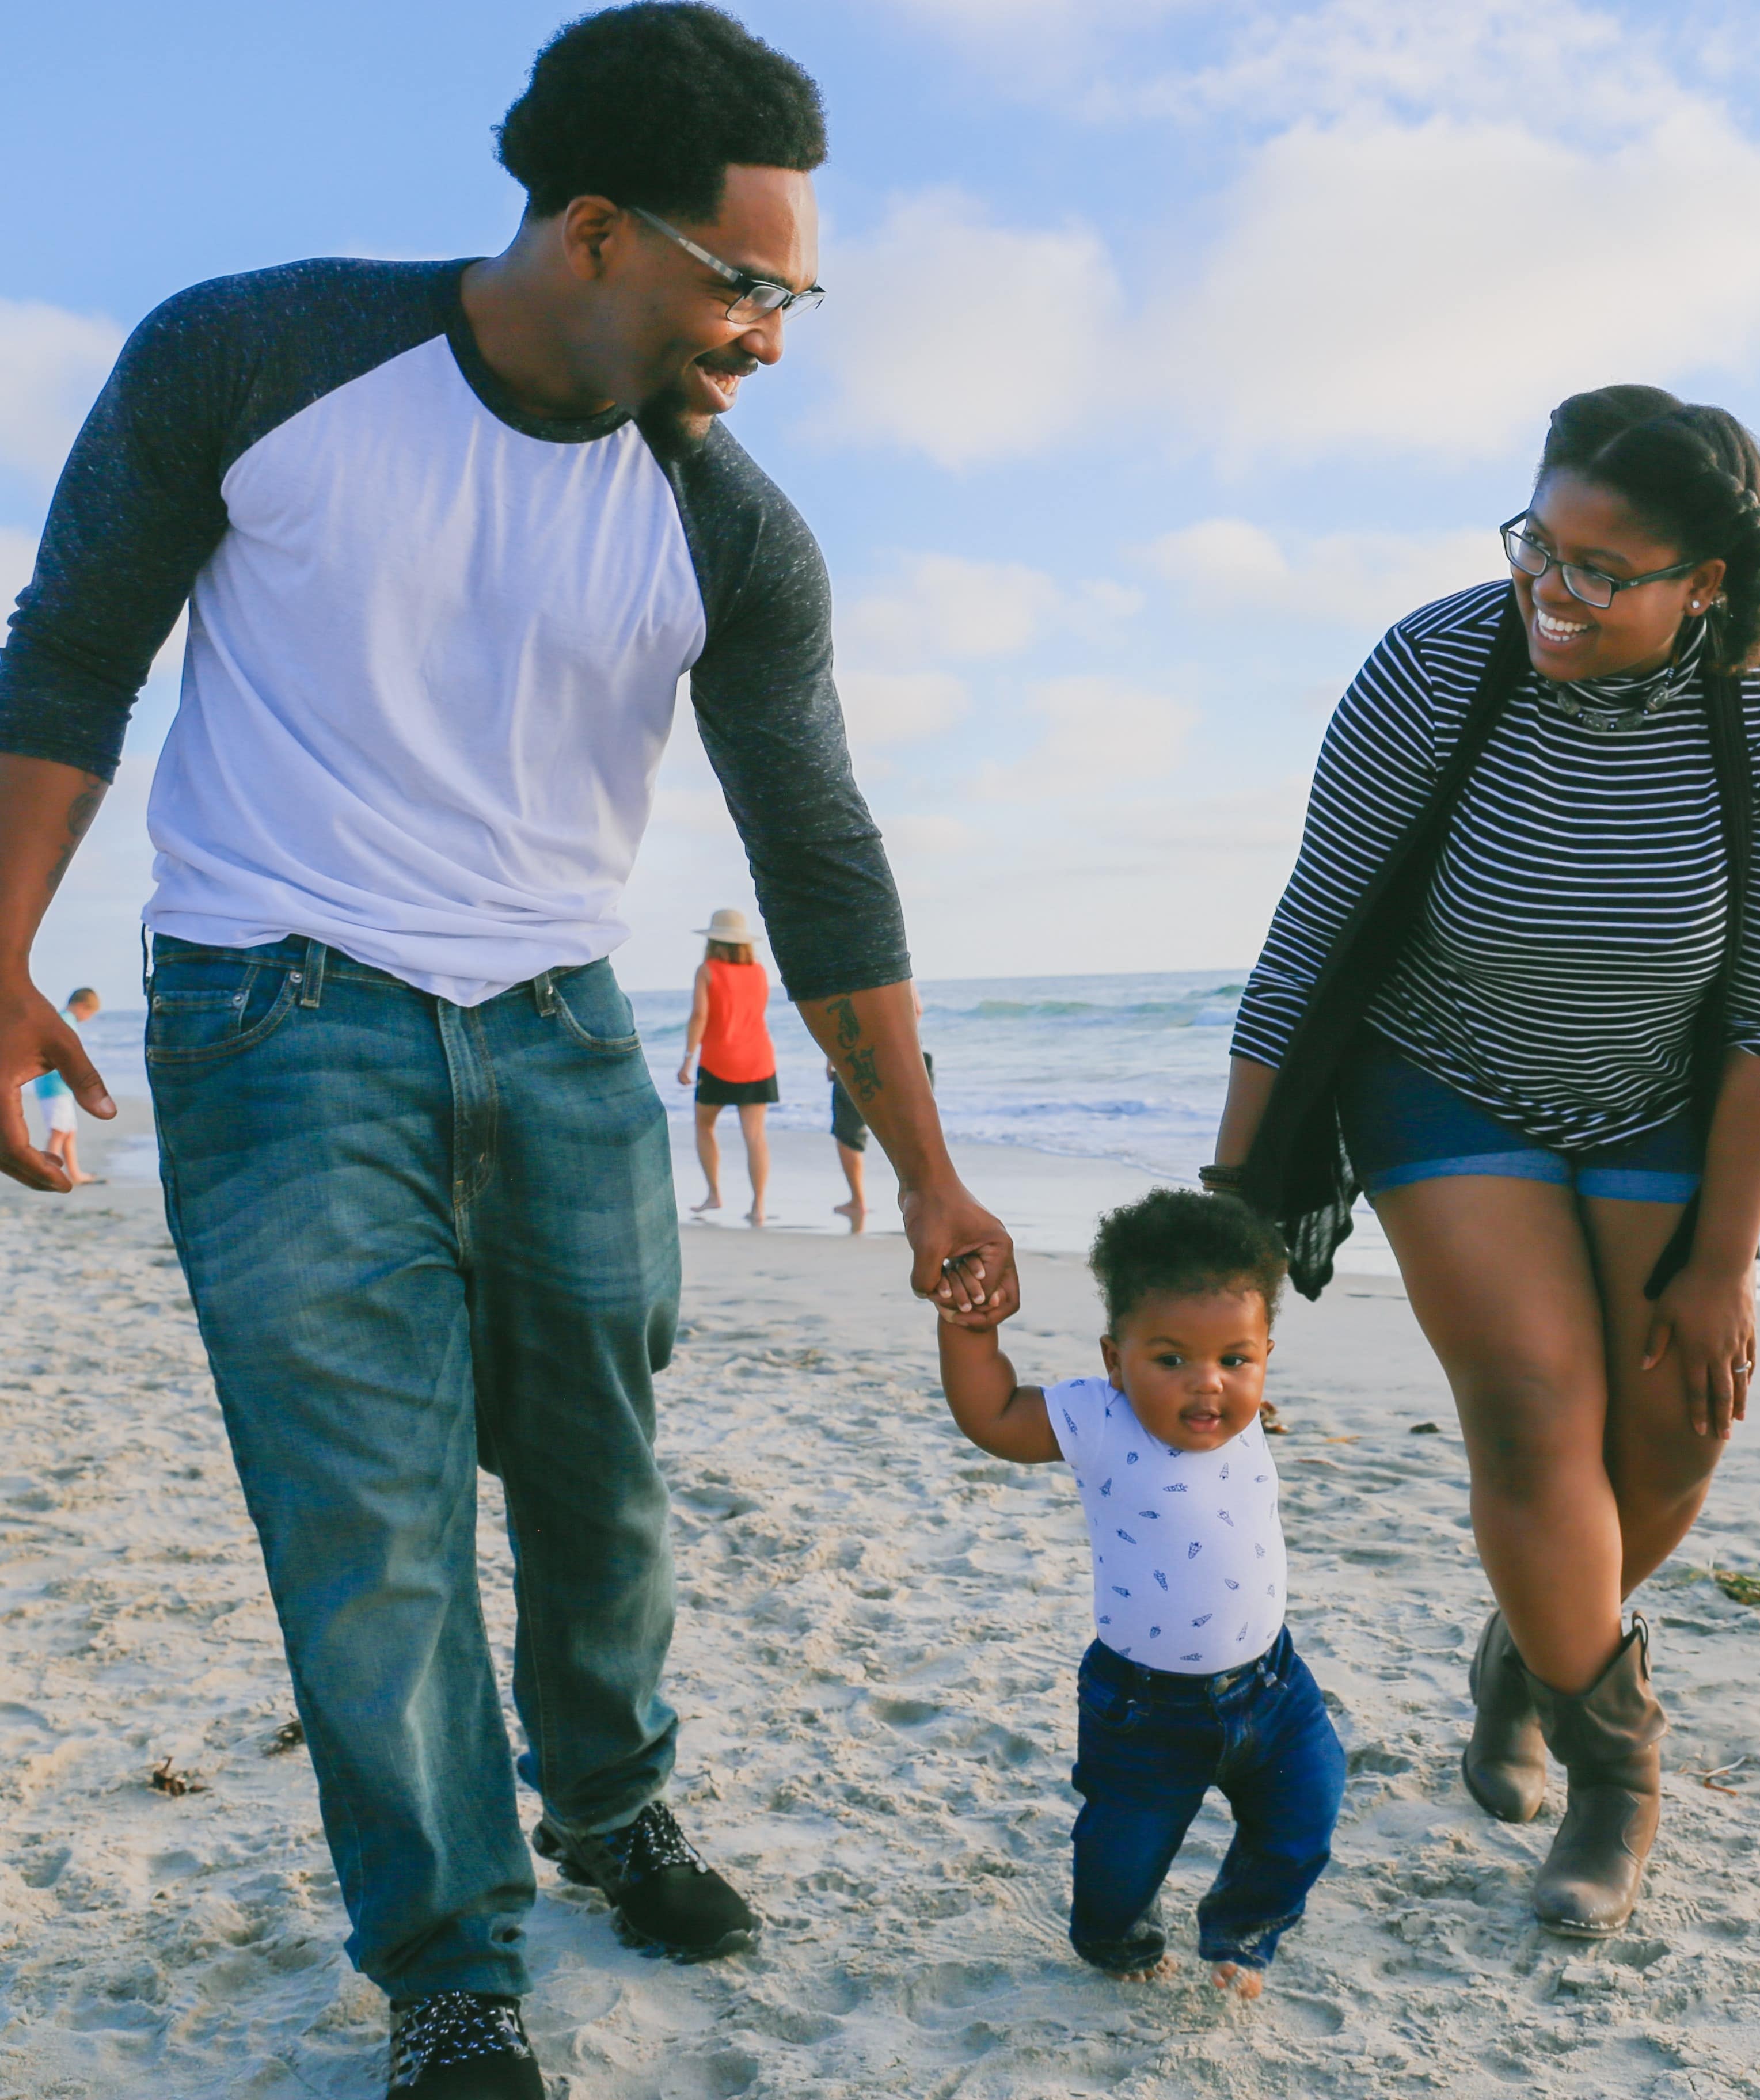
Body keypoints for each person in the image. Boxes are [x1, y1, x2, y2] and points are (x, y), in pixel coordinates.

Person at [0, 9, 1014, 2095]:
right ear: (585, 231)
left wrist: (922, 1159)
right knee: (364, 1515)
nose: (772, 335)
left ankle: (612, 1797)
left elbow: (817, 854)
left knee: (599, 1482)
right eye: (743, 282)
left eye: (796, 292)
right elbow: (77, 642)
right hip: (272, 1009)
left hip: (562, 1028)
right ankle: (448, 1949)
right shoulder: (253, 357)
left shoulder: (731, 532)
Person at [1209, 387, 1760, 1940]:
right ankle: (1618, 1771)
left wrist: (1724, 1265)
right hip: (1443, 1075)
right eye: (1537, 546)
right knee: (1534, 1409)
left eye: (1600, 570)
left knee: (1672, 1436)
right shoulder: (1439, 663)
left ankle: (1529, 1651)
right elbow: (1313, 932)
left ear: (1707, 580)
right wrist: (1229, 1214)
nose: (1550, 592)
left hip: (1659, 1106)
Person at [937, 1188, 1346, 2000]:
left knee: (1305, 1818)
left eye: (1236, 1360)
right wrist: (970, 1331)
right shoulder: (1102, 1418)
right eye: (1171, 1359)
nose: (1208, 1387)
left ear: (1265, 1353)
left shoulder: (1247, 1415)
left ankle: (1242, 1929)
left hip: (1273, 1687)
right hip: (1146, 1711)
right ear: (1115, 1358)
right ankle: (1117, 1939)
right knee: (1121, 1859)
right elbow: (991, 1415)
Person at [675, 908, 776, 1223]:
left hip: (719, 1060)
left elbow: (700, 1016)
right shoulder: (759, 971)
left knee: (705, 1125)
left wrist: (688, 1059)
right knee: (755, 1135)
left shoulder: (707, 970)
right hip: (759, 1059)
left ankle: (714, 1194)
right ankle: (758, 1207)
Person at [829, 982, 932, 1228]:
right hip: (906, 1057)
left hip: (857, 1055)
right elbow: (917, 1009)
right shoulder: (892, 960)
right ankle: (922, 1198)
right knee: (912, 1132)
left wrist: (832, 1057)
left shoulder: (841, 968)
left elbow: (834, 1020)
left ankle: (858, 1201)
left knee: (849, 1132)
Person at [22, 986, 101, 1186]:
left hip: (60, 1086)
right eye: (90, 1014)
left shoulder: (64, 1020)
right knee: (59, 1130)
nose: (89, 1019)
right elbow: (65, 1056)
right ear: (83, 1007)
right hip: (54, 1086)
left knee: (69, 1131)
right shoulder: (64, 1022)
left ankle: (75, 1174)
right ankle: (49, 1173)